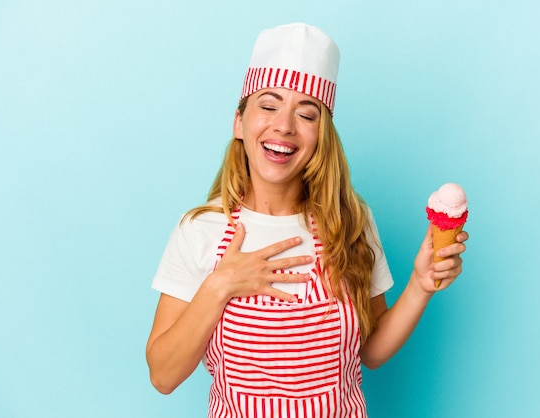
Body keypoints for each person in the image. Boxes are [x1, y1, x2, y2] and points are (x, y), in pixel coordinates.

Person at [146, 22, 468, 417]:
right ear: (239, 122)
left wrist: (421, 285)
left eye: (307, 114)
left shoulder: (350, 221)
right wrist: (220, 285)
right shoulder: (200, 230)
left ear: (322, 135)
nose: (284, 125)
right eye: (268, 105)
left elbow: (371, 351)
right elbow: (163, 375)